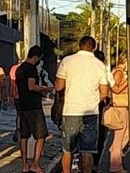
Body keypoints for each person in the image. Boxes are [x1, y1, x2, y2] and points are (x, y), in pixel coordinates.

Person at [55, 36, 109, 173]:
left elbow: (59, 87)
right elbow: (104, 93)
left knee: (67, 150)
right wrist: (95, 100)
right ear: (94, 48)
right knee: (88, 151)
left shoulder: (67, 61)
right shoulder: (100, 65)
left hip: (70, 111)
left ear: (79, 46)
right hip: (91, 112)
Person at [16, 45, 54, 173]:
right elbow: (31, 86)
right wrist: (45, 89)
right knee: (41, 135)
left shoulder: (19, 69)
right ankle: (35, 164)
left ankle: (24, 165)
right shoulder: (31, 69)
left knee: (24, 136)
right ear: (36, 57)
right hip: (33, 106)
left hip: (22, 105)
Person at [108, 53, 129, 173]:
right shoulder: (119, 72)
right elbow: (115, 88)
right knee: (119, 135)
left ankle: (116, 153)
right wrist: (128, 82)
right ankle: (115, 165)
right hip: (120, 106)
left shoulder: (121, 72)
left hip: (124, 106)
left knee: (126, 133)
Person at [92, 50, 110, 173]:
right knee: (99, 137)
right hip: (97, 106)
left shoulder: (87, 70)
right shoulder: (102, 70)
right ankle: (95, 164)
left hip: (85, 106)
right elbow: (106, 93)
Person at [8, 58, 22, 143]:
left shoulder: (13, 68)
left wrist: (10, 95)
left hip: (16, 94)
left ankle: (18, 128)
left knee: (18, 113)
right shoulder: (26, 68)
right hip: (24, 95)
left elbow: (11, 83)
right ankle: (22, 129)